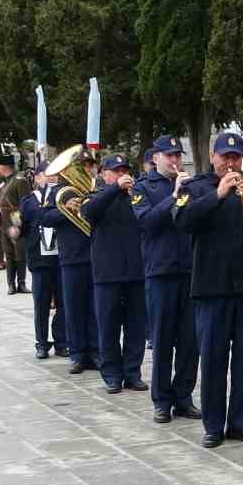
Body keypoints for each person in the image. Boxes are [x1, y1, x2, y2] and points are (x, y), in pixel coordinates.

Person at [172, 132, 243, 448]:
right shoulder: (196, 188)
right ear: (213, 157)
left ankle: (240, 422)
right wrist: (217, 195)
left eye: (236, 157)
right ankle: (213, 425)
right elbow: (181, 220)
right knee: (214, 359)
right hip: (212, 288)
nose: (231, 163)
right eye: (225, 157)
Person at [132, 136, 201, 424]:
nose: (175, 160)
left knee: (189, 340)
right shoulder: (142, 187)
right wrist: (173, 196)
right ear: (156, 158)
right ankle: (161, 400)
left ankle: (183, 397)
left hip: (189, 270)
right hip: (160, 272)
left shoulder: (190, 185)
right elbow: (146, 221)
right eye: (170, 155)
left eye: (178, 155)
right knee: (162, 339)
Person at [83, 155, 149, 395]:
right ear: (104, 174)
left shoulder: (137, 197)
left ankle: (133, 372)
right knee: (108, 326)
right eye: (115, 171)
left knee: (136, 326)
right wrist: (113, 189)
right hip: (107, 273)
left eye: (124, 170)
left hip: (135, 271)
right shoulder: (97, 196)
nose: (122, 174)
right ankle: (111, 374)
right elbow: (90, 211)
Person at [42, 153, 101, 375]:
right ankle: (77, 354)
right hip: (72, 257)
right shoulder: (60, 192)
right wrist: (65, 210)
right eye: (82, 165)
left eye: (89, 165)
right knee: (73, 307)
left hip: (96, 254)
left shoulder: (98, 189)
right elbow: (45, 218)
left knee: (95, 307)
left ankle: (95, 351)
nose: (87, 169)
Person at [21, 164, 67, 360]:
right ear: (37, 178)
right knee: (41, 303)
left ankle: (61, 341)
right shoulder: (28, 200)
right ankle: (41, 342)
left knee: (63, 303)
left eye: (55, 174)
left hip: (61, 257)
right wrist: (15, 229)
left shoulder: (63, 197)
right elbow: (20, 224)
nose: (50, 177)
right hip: (39, 259)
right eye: (46, 174)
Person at [0, 155, 31, 294]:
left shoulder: (20, 181)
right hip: (5, 221)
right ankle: (10, 284)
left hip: (15, 219)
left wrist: (18, 224)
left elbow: (25, 204)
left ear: (4, 167)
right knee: (9, 253)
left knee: (19, 253)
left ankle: (21, 283)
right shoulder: (3, 182)